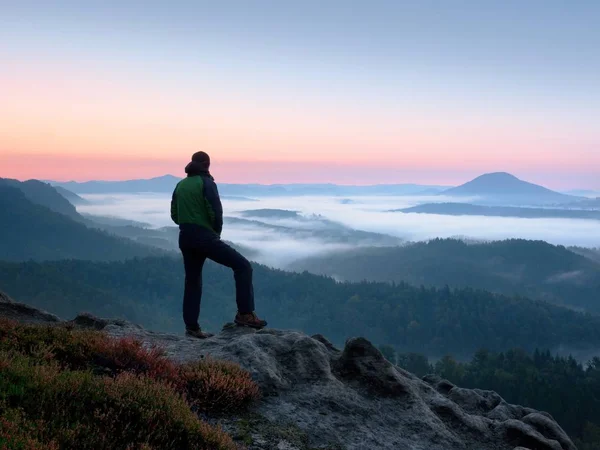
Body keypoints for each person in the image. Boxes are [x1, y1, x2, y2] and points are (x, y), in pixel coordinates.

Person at [170, 151, 267, 338]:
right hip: (205, 237)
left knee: (192, 281)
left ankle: (192, 327)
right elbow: (216, 213)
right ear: (207, 165)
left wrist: (189, 223)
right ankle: (245, 314)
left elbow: (174, 215)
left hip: (185, 236)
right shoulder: (207, 183)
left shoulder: (180, 185)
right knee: (243, 266)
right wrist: (214, 234)